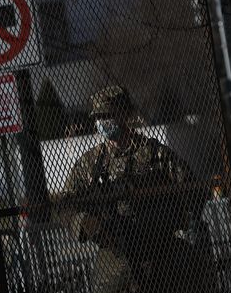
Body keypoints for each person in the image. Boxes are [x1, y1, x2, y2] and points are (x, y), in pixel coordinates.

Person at [60, 85, 210, 293]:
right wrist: (83, 223)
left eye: (107, 115)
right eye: (98, 117)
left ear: (123, 114)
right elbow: (65, 205)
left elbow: (193, 188)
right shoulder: (91, 163)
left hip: (161, 251)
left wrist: (180, 216)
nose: (102, 122)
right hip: (115, 259)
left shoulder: (154, 154)